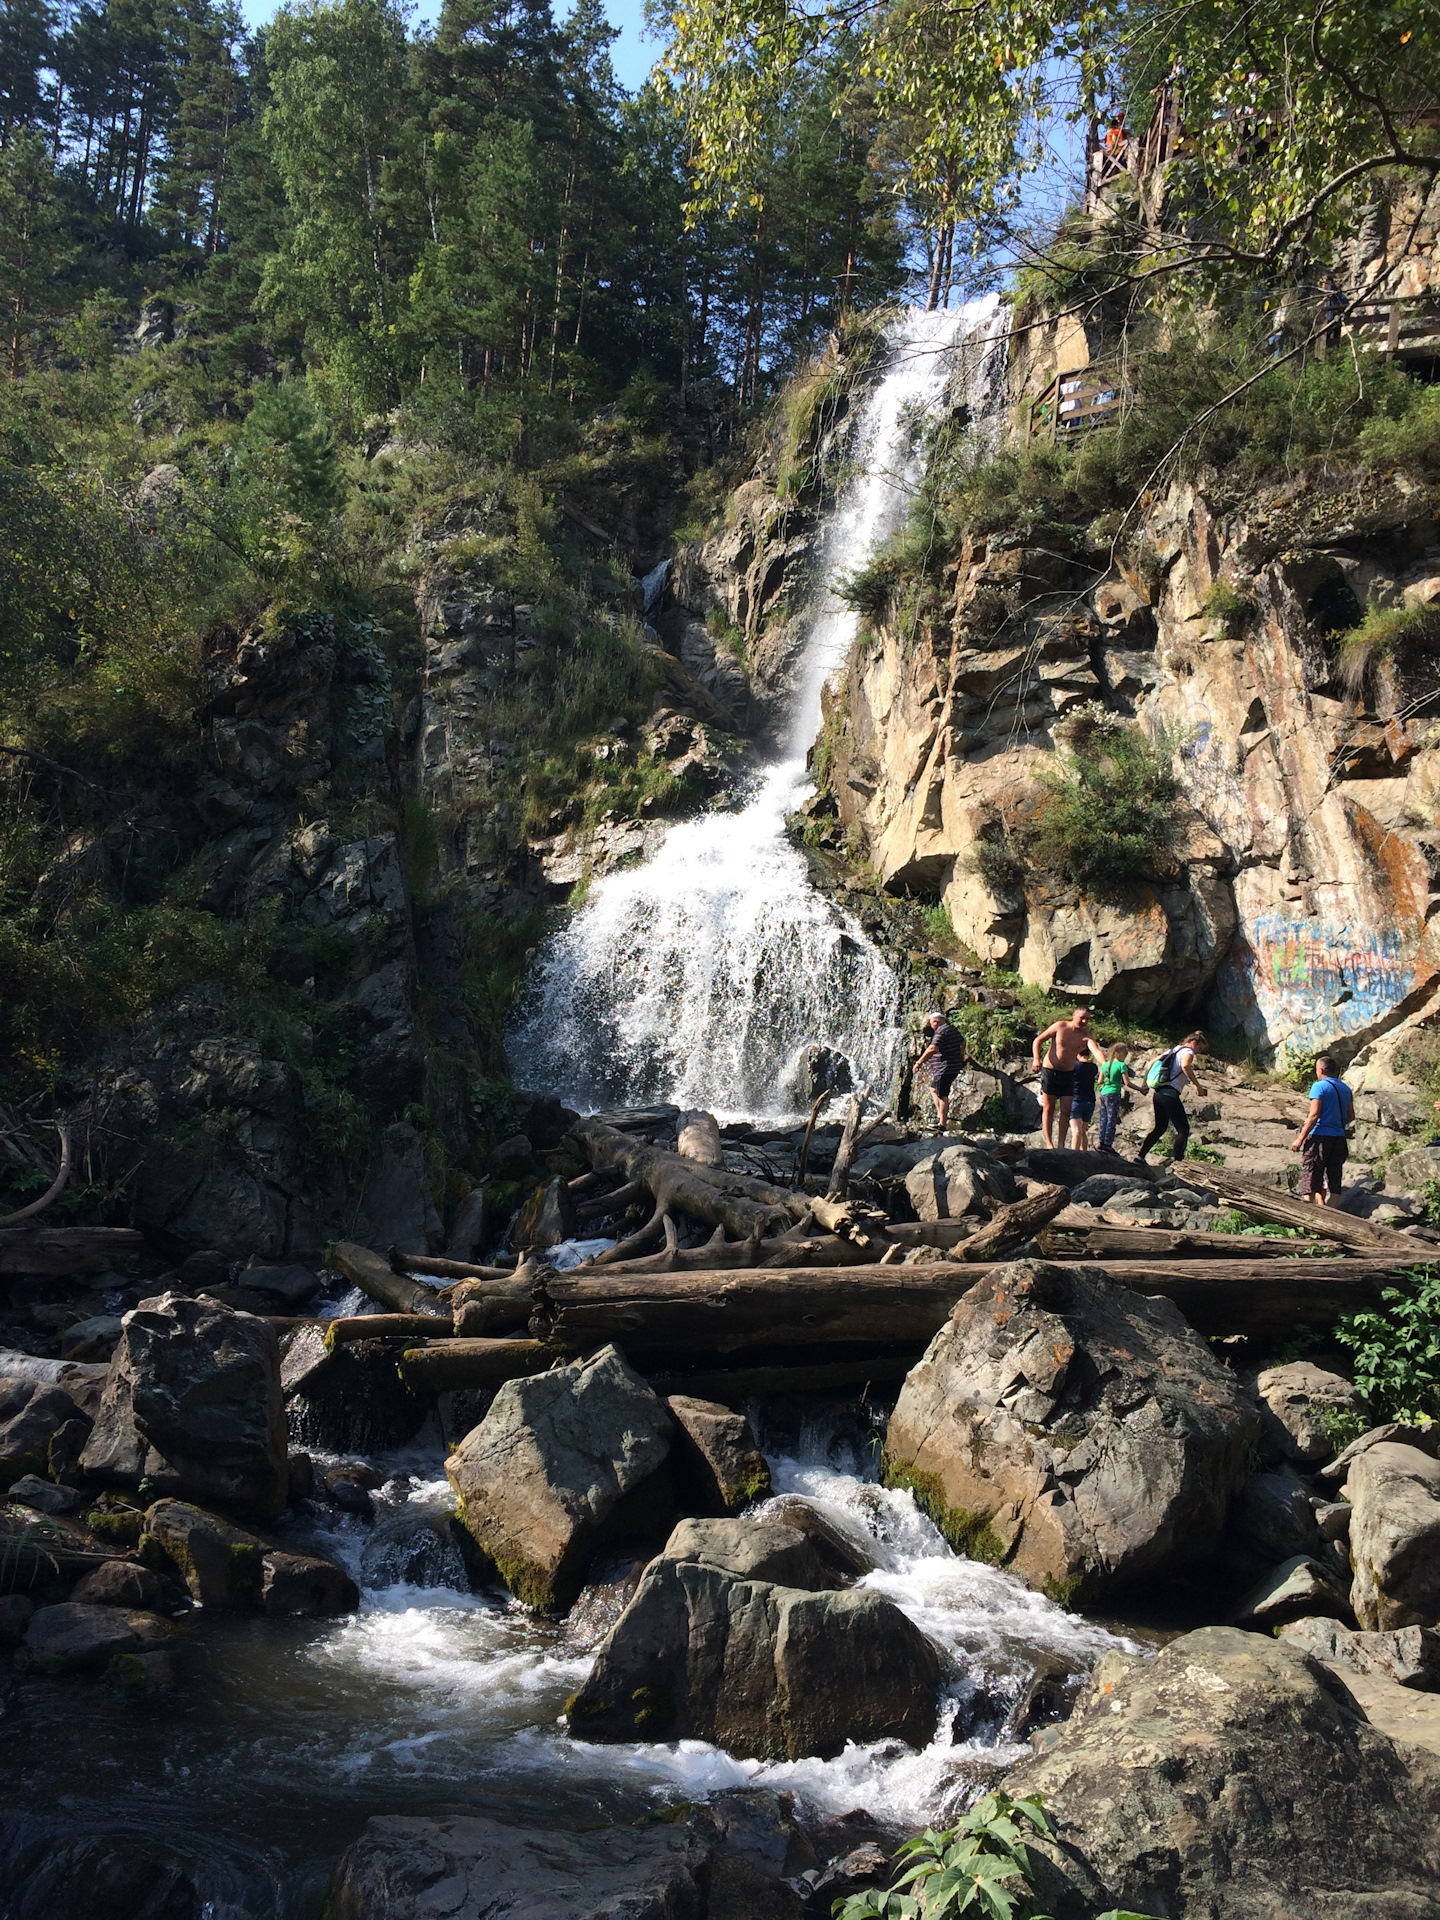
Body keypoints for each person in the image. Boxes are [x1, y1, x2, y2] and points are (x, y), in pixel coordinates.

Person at [1136, 1031, 1208, 1163]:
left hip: (1158, 1093)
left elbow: (1151, 1062)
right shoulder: (1188, 1052)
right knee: (1183, 1130)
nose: (1198, 1052)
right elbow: (1185, 1065)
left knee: (1160, 1128)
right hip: (1169, 1095)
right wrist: (1197, 1086)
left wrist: (1144, 1084)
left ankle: (1139, 1157)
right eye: (1200, 1048)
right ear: (1193, 1043)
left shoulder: (1173, 1050)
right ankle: (1179, 1163)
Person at [1291, 1055, 1354, 1205]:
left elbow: (1313, 1115)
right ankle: (1333, 1216)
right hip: (1339, 1138)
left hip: (1319, 1137)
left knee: (1311, 1174)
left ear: (1320, 1070)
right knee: (1334, 1179)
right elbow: (1351, 1116)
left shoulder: (1319, 1086)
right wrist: (1335, 1124)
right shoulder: (1345, 1089)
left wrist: (1300, 1139)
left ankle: (1308, 1215)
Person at [1031, 1005, 1094, 1150]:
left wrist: (1105, 1064)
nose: (1084, 1021)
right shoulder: (1060, 1026)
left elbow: (1094, 1049)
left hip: (1068, 1074)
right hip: (1050, 1070)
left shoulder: (1086, 1035)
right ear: (1074, 1015)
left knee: (1066, 1110)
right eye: (1082, 1018)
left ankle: (1060, 1145)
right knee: (1049, 1108)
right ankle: (1049, 1143)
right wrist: (1036, 1059)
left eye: (1087, 1019)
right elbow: (1038, 1040)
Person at [913, 1011, 967, 1131]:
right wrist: (961, 1055)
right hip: (952, 1066)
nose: (931, 1025)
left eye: (931, 1023)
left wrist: (919, 1062)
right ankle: (940, 1115)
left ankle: (942, 1124)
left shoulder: (941, 1031)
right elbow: (963, 1042)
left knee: (942, 1094)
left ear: (936, 1022)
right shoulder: (952, 1029)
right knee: (933, 1089)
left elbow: (933, 1048)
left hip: (944, 1067)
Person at [1095, 1043, 1140, 1154]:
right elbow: (1127, 1083)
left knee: (1103, 1119)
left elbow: (1100, 1081)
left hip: (1104, 1093)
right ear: (1120, 1054)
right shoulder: (1121, 1065)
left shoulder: (1105, 1065)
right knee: (1112, 1119)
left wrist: (1108, 1080)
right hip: (1114, 1094)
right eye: (1125, 1054)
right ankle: (1108, 1144)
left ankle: (1101, 1142)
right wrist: (1140, 1089)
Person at [1068, 1047, 1100, 1151]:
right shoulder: (1094, 1067)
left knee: (1076, 1131)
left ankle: (1074, 1156)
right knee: (1082, 1131)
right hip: (1090, 1100)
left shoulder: (1074, 1066)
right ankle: (1084, 1155)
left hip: (1076, 1099)